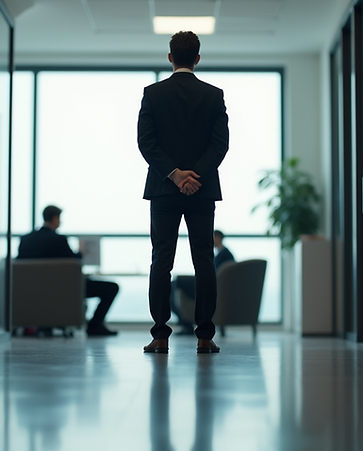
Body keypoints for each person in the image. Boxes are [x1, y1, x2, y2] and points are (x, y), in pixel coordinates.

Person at [138, 31, 229, 354]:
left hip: (164, 189)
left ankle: (160, 336)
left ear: (170, 57)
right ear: (198, 59)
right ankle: (205, 336)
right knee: (204, 260)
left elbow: (146, 143)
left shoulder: (153, 94)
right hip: (202, 192)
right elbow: (220, 145)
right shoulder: (214, 95)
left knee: (161, 260)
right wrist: (196, 176)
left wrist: (175, 175)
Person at [17, 205, 119, 336]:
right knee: (112, 288)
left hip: (32, 291)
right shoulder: (59, 240)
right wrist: (81, 252)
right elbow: (74, 263)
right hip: (63, 290)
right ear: (55, 219)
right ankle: (95, 325)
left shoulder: (25, 240)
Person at [170, 230, 235, 335]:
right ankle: (183, 321)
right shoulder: (223, 254)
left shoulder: (224, 255)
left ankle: (184, 322)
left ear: (217, 238)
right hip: (213, 284)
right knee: (174, 284)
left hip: (212, 286)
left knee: (175, 284)